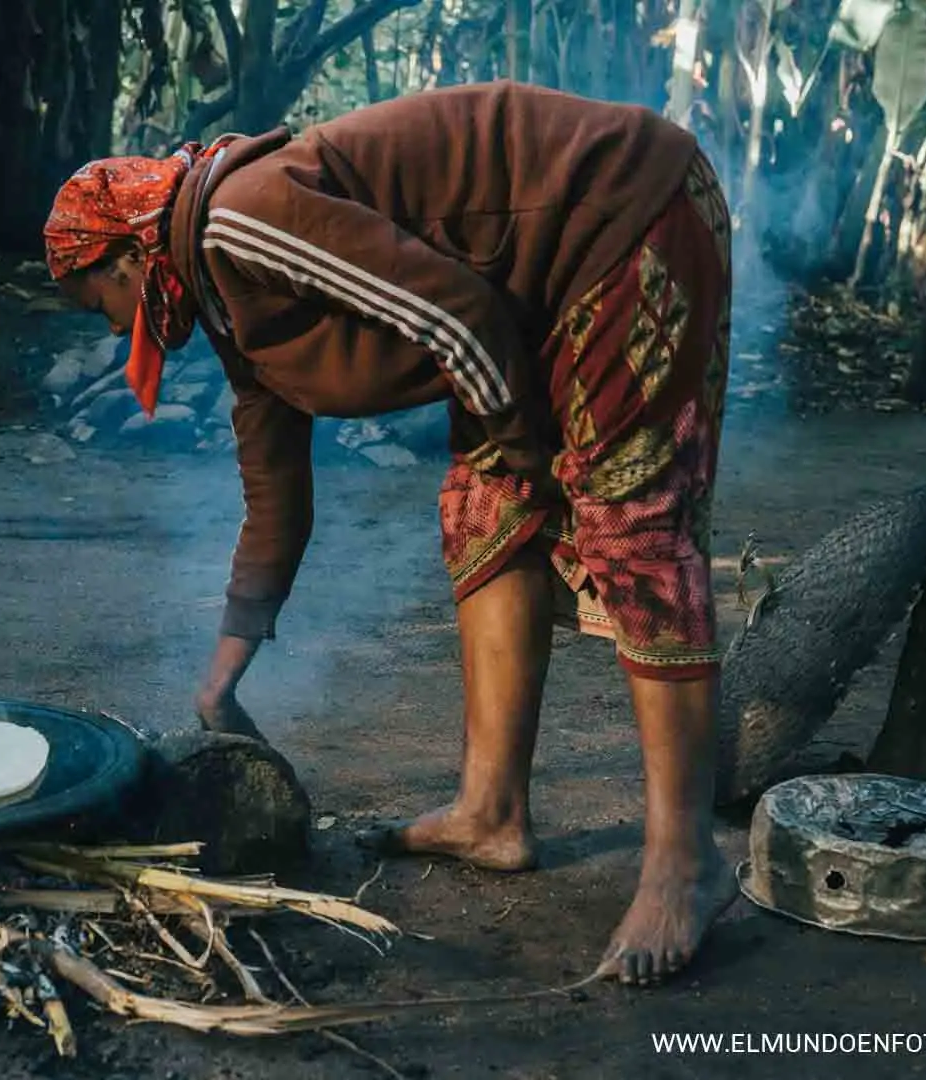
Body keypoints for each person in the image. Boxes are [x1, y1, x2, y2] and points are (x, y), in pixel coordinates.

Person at [43, 80, 736, 987]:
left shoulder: (239, 220)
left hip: (623, 217)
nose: (104, 323)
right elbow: (275, 496)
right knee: (482, 515)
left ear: (131, 255)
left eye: (91, 298)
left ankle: (687, 863)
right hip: (533, 292)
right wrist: (224, 679)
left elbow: (454, 315)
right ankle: (491, 814)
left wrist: (532, 457)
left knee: (629, 525)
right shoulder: (223, 296)